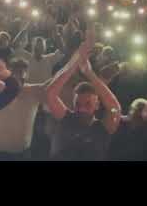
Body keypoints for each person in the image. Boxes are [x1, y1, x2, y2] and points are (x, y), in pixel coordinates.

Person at [46, 28, 122, 161]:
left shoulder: (103, 128)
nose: (81, 108)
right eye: (78, 104)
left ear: (97, 105)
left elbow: (115, 108)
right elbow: (51, 94)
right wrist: (75, 61)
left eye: (88, 104)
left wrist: (89, 72)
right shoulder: (67, 118)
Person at [0, 52, 81, 161]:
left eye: (22, 72)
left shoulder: (34, 91)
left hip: (22, 154)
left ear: (26, 74)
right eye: (16, 72)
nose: (20, 75)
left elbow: (52, 82)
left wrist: (74, 62)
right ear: (10, 73)